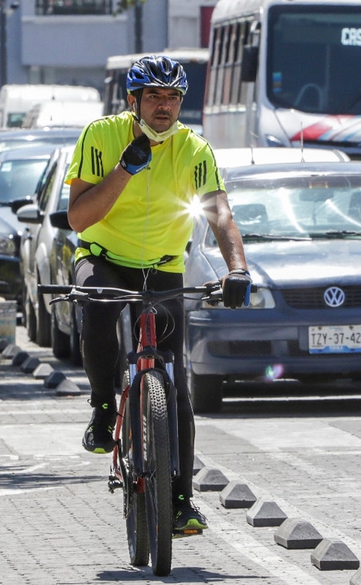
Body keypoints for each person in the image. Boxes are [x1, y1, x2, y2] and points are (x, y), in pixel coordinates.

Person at [65, 55, 253, 533]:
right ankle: (104, 406)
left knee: (177, 387)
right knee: (96, 304)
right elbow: (79, 218)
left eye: (172, 97)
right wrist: (125, 169)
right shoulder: (101, 136)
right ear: (134, 101)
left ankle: (181, 501)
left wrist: (238, 270)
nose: (164, 106)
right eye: (153, 96)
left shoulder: (194, 149)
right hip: (104, 255)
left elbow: (221, 215)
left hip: (163, 266)